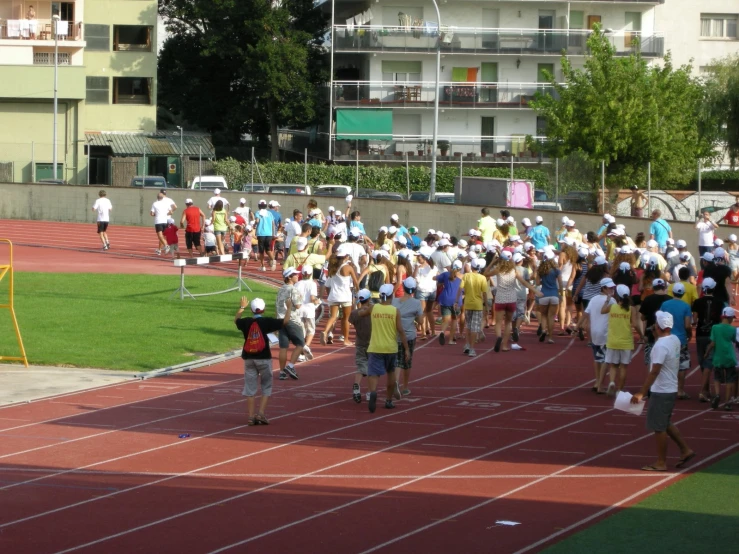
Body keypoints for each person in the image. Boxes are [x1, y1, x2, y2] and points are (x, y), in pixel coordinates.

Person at [630, 311, 695, 471]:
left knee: (658, 427)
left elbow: (654, 371)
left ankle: (661, 462)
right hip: (670, 387)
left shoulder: (660, 345)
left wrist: (642, 392)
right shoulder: (674, 340)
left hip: (662, 390)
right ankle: (685, 450)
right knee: (665, 423)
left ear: (657, 326)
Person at [234, 296, 294, 426]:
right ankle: (260, 413)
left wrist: (241, 307)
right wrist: (289, 308)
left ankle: (250, 416)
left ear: (251, 309)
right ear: (263, 309)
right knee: (266, 386)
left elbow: (236, 320)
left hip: (249, 358)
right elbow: (285, 322)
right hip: (264, 358)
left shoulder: (246, 322)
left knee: (250, 388)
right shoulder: (267, 322)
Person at [357, 283, 410, 413]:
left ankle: (373, 392)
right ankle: (388, 400)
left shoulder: (374, 308)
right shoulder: (395, 311)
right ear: (392, 296)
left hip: (375, 347)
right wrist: (406, 348)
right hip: (391, 348)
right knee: (391, 373)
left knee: (373, 373)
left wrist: (363, 306)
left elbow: (360, 314)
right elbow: (401, 331)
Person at [484, 251, 540, 352]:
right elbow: (524, 282)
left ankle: (498, 337)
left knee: (498, 322)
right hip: (511, 298)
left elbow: (485, 273)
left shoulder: (498, 270)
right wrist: (535, 291)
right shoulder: (514, 271)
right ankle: (505, 345)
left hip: (500, 298)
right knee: (508, 323)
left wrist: (492, 262)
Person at [660, 283, 693, 399]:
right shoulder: (686, 306)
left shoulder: (664, 304)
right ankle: (680, 390)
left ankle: (666, 388)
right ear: (683, 293)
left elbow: (660, 321)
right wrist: (689, 334)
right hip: (681, 339)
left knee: (666, 364)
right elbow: (688, 325)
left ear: (672, 292)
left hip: (666, 338)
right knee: (682, 365)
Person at [392, 277, 424, 397]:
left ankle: (395, 382)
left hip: (394, 334)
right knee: (407, 361)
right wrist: (415, 316)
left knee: (396, 361)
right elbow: (421, 321)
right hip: (409, 335)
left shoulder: (394, 301)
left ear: (403, 288)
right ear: (414, 289)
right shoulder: (416, 303)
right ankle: (405, 387)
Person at [322, 244, 359, 347]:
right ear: (346, 256)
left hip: (334, 295)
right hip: (345, 296)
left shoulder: (333, 267)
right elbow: (356, 283)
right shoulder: (348, 267)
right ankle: (345, 339)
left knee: (333, 316)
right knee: (346, 318)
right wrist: (358, 291)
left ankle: (325, 331)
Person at [692, 278, 722, 403]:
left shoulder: (698, 302)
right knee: (709, 362)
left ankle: (705, 389)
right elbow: (721, 320)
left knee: (702, 361)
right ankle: (704, 391)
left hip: (700, 334)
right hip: (713, 334)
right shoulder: (719, 302)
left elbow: (694, 319)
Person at [584, 278, 617, 393]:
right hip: (605, 332)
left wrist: (581, 325)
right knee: (604, 359)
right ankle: (600, 385)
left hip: (594, 332)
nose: (612, 289)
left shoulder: (593, 299)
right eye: (610, 288)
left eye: (613, 287)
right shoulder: (612, 301)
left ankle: (597, 381)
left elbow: (586, 313)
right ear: (603, 288)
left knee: (597, 358)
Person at [601, 284, 635, 396]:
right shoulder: (631, 309)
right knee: (624, 367)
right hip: (626, 341)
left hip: (613, 340)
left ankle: (611, 382)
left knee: (614, 365)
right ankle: (620, 390)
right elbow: (634, 324)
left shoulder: (612, 307)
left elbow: (602, 311)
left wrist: (607, 300)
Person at [705, 307, 739, 410]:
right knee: (730, 380)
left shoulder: (715, 327)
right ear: (730, 318)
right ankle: (727, 402)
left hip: (718, 357)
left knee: (717, 378)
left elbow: (712, 343)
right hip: (730, 357)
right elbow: (735, 341)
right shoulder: (733, 329)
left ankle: (717, 394)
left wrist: (707, 353)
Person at [275, 267, 306, 380]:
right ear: (289, 277)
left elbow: (277, 306)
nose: (298, 276)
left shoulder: (280, 289)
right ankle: (291, 366)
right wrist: (301, 298)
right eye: (295, 275)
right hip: (292, 320)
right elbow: (297, 305)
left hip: (280, 321)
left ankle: (282, 372)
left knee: (283, 347)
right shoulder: (293, 290)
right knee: (300, 343)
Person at [456, 258, 488, 357]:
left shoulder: (466, 276)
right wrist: (486, 305)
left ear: (472, 267)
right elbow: (485, 293)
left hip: (468, 304)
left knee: (468, 326)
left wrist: (457, 301)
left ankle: (467, 345)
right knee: (474, 327)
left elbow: (460, 289)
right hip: (478, 305)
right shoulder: (482, 278)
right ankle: (472, 348)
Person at [640, 278, 671, 366]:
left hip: (650, 332)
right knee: (665, 360)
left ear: (653, 288)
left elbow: (642, 318)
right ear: (664, 286)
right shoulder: (670, 299)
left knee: (650, 360)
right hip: (666, 332)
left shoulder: (647, 299)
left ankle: (651, 378)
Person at [349, 289, 373, 403]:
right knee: (371, 369)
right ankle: (369, 392)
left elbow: (351, 319)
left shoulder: (354, 314)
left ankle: (357, 386)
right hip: (373, 344)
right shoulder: (373, 311)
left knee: (360, 367)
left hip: (360, 343)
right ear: (369, 299)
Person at [435, 260, 463, 345]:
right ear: (460, 268)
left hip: (445, 299)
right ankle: (451, 340)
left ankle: (442, 332)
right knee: (454, 320)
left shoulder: (446, 274)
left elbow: (435, 278)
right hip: (456, 300)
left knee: (445, 320)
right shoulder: (463, 277)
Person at [535, 250, 561, 344]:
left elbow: (537, 283)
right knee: (551, 317)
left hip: (543, 295)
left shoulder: (540, 270)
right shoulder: (556, 270)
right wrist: (561, 293)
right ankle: (550, 337)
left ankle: (543, 331)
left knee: (544, 315)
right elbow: (560, 283)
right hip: (554, 294)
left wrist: (543, 282)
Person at [295, 266, 318, 361]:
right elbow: (312, 298)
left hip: (299, 309)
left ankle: (301, 352)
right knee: (311, 330)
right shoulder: (312, 284)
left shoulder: (297, 284)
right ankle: (306, 346)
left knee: (301, 331)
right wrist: (317, 301)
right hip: (309, 310)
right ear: (310, 274)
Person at [255, 199, 276, 271]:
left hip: (261, 233)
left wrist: (255, 224)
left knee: (261, 251)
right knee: (268, 249)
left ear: (259, 206)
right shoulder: (269, 213)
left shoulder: (258, 212)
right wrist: (273, 233)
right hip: (269, 234)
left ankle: (262, 266)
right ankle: (273, 260)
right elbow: (273, 224)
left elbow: (257, 221)